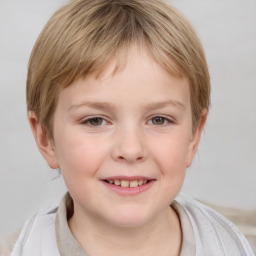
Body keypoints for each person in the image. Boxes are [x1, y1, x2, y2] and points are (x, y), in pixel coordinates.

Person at [1, 0, 254, 255]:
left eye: (159, 120)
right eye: (95, 121)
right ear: (46, 138)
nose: (131, 149)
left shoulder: (237, 247)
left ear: (193, 137)